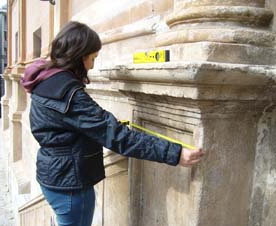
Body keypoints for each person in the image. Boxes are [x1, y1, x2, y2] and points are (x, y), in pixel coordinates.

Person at [21, 21, 205, 226]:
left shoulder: (45, 80)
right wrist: (175, 153)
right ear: (79, 56)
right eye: (92, 58)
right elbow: (119, 137)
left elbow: (66, 125)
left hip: (53, 176)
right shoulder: (70, 95)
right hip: (69, 186)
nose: (92, 65)